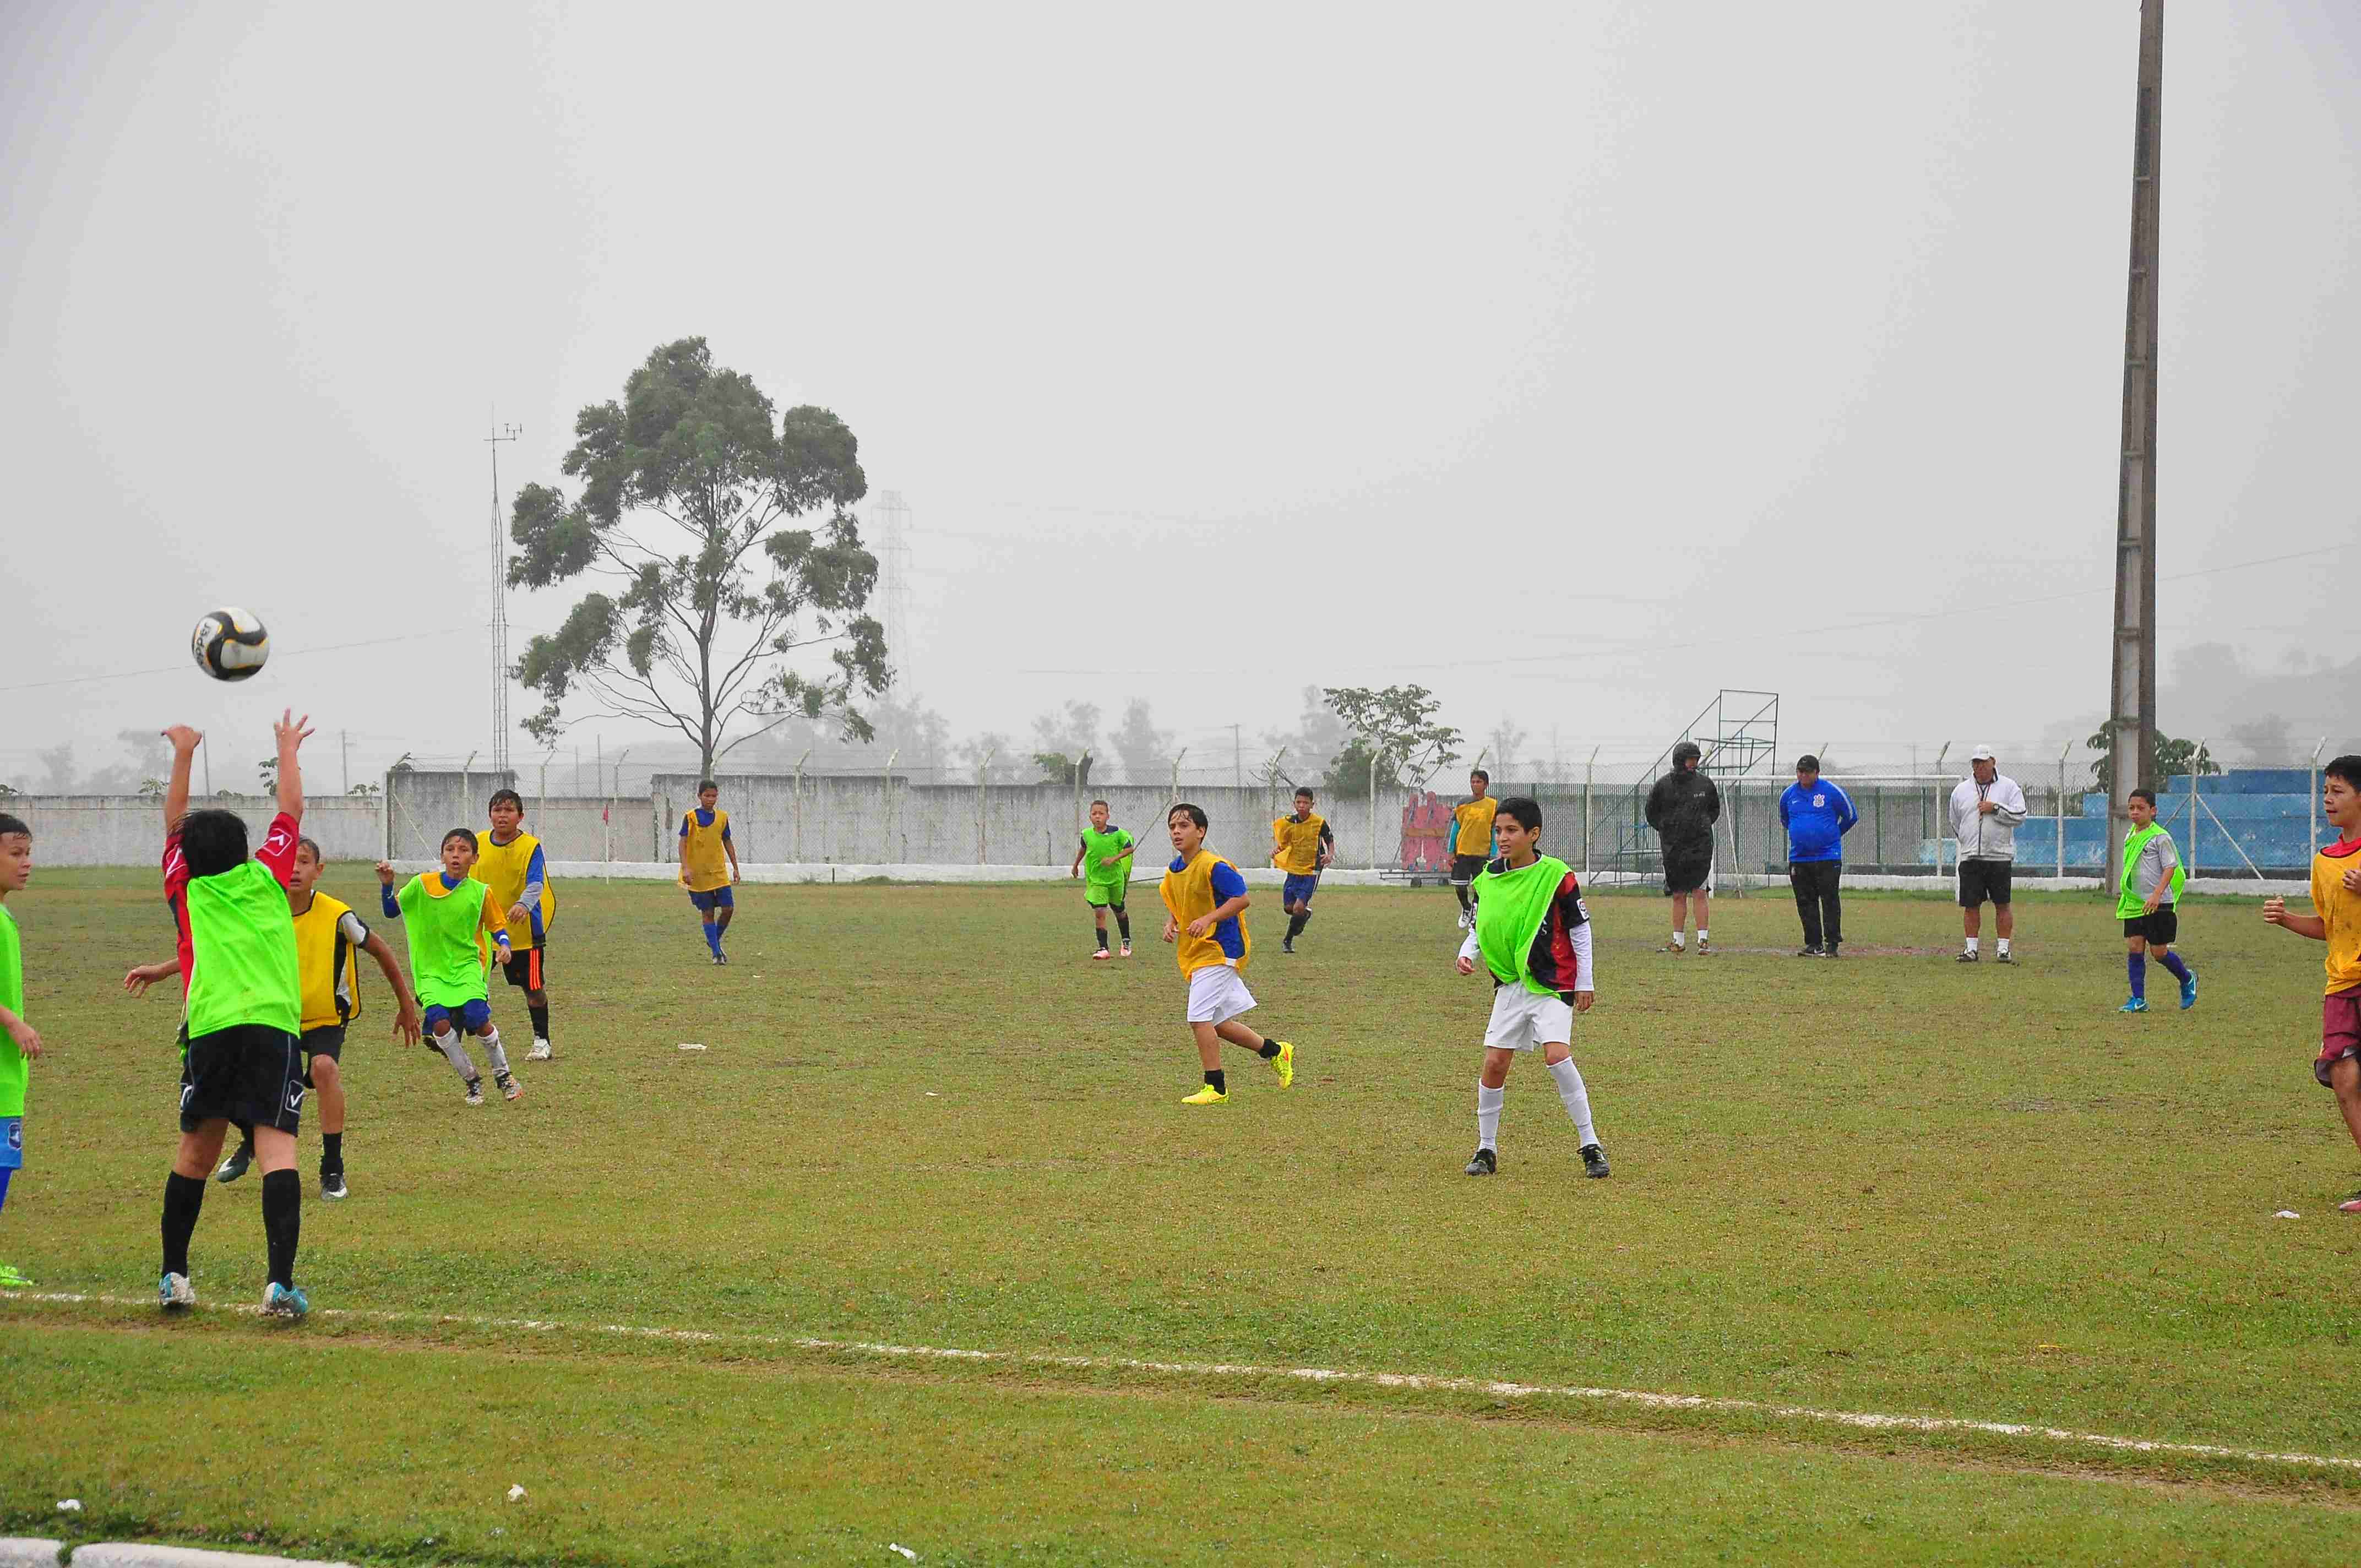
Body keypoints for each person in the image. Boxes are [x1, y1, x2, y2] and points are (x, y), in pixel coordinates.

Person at [135, 838, 421, 1199]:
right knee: (240, 1073)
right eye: (291, 862)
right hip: (274, 1014)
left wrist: (406, 1004)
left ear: (319, 871)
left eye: (304, 863)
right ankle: (251, 1143)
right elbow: (221, 948)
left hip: (323, 1017)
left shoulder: (337, 915)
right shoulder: (263, 911)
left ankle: (332, 1167)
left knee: (323, 1069)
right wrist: (163, 970)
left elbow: (380, 949)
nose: (296, 869)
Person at [154, 712, 315, 1317]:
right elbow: (292, 808)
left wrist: (184, 754)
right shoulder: (269, 875)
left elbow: (174, 824)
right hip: (273, 1028)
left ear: (187, 856)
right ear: (247, 850)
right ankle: (278, 1285)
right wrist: (286, 747)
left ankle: (174, 1276)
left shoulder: (185, 886)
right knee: (279, 1151)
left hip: (211, 1030)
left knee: (196, 1151)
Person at [1455, 796, 1608, 1180]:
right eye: (1498, 831)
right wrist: (1467, 952)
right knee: (1494, 1064)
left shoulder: (1556, 875)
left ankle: (1591, 1145)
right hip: (1511, 984)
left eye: (1511, 831)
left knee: (1557, 1057)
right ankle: (1486, 1149)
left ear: (1533, 834)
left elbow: (1580, 929)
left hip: (1553, 981)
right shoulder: (1489, 878)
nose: (1502, 838)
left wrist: (1585, 981)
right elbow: (1481, 924)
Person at [2262, 754, 2361, 1213]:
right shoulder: (2324, 861)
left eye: (2338, 791)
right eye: (2325, 791)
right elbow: (2328, 925)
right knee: (2344, 1078)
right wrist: (2285, 921)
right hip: (2341, 984)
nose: (2328, 799)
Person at [1158, 803, 1295, 1105]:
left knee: (1198, 1018)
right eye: (1172, 827)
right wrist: (1172, 922)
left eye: (1184, 826)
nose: (1177, 832)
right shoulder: (1175, 870)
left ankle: (1216, 1087)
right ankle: (1276, 1051)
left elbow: (1242, 899)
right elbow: (1176, 900)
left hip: (1222, 949)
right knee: (1218, 1024)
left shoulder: (1215, 866)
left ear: (1201, 831)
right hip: (1197, 952)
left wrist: (1208, 919)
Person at [376, 830, 522, 1106]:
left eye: (464, 850)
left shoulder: (480, 893)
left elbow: (497, 926)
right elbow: (391, 911)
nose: (457, 855)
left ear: (475, 858)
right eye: (451, 849)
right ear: (442, 855)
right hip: (430, 971)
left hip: (467, 965)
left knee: (478, 1017)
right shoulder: (421, 885)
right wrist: (387, 885)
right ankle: (472, 1080)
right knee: (441, 1025)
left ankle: (504, 1076)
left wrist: (505, 945)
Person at [480, 788, 557, 1058]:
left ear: (520, 816)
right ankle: (451, 1033)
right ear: (490, 815)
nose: (502, 815)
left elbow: (536, 883)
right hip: (484, 932)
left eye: (508, 810)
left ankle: (542, 1041)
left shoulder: (531, 846)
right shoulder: (477, 844)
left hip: (525, 932)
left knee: (533, 988)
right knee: (471, 984)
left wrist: (524, 904)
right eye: (497, 810)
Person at [0, 812, 41, 1289]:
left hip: (9, 1070)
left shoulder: (6, 914)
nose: (27, 863)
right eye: (16, 854)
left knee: (3, 1162)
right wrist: (13, 1022)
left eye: (28, 853)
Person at [2115, 787, 2195, 1014]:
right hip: (2136, 903)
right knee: (2134, 946)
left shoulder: (2161, 837)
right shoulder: (2130, 835)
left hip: (2159, 903)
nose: (2135, 812)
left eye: (2140, 808)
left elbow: (2171, 867)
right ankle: (2138, 999)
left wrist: (2157, 894)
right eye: (2131, 808)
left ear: (2153, 811)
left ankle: (2187, 978)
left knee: (2158, 952)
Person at [1948, 745, 2028, 962]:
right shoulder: (1961, 790)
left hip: (1999, 857)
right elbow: (1955, 821)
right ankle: (1971, 949)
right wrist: (1967, 842)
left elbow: (2020, 814)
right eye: (1976, 763)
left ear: (1993, 762)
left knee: (2002, 904)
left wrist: (1996, 809)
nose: (1979, 767)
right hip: (1971, 857)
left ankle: (2003, 949)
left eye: (1983, 762)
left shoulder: (2009, 787)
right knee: (1971, 905)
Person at [1645, 741, 1720, 954]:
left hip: (1700, 847)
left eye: (1696, 760)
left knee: (1700, 891)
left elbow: (1714, 811)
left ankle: (1703, 941)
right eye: (1690, 760)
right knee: (1678, 894)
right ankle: (1678, 941)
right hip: (1673, 850)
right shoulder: (1663, 786)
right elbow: (1651, 813)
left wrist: (1700, 826)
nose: (1694, 764)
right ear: (1679, 760)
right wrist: (1668, 830)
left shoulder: (1705, 785)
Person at [1779, 755, 1858, 957]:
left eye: (1807, 772)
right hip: (1799, 858)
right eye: (1800, 771)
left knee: (1830, 899)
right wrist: (1802, 835)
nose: (1803, 775)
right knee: (1806, 901)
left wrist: (1832, 835)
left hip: (1828, 857)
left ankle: (1832, 943)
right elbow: (1786, 820)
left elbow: (1851, 816)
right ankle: (1814, 944)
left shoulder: (1831, 791)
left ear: (1817, 773)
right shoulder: (1788, 795)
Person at [679, 781, 741, 965]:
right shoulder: (690, 817)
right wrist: (686, 867)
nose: (711, 799)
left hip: (718, 872)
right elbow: (682, 843)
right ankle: (717, 953)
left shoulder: (722, 817)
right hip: (698, 873)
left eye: (714, 796)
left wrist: (735, 867)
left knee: (728, 908)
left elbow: (727, 842)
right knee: (707, 913)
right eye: (707, 796)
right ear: (699, 796)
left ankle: (713, 938)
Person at [1270, 787, 1335, 955]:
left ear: (1312, 805)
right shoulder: (1290, 822)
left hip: (1312, 870)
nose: (1302, 806)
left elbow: (1330, 840)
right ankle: (1305, 914)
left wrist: (1330, 855)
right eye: (1299, 802)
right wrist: (1277, 851)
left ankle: (1287, 941)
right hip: (1295, 868)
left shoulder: (1319, 823)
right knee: (1288, 908)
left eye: (1306, 803)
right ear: (1294, 804)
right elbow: (1285, 843)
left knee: (1298, 907)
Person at [1068, 799, 1136, 960]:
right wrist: (1076, 865)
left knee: (1119, 911)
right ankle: (1103, 948)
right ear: (1090, 817)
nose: (1098, 817)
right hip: (1097, 880)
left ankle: (1126, 941)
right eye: (1094, 814)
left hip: (1115, 880)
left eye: (1101, 814)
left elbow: (1129, 849)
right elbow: (1084, 849)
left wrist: (1114, 859)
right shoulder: (1086, 835)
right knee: (1100, 912)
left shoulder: (1117, 833)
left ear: (1108, 816)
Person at [1449, 770, 1498, 930]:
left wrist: (1493, 852)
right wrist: (1451, 851)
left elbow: (1493, 830)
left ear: (1486, 785)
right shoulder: (1462, 805)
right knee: (1460, 885)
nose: (1475, 785)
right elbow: (1456, 828)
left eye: (1479, 782)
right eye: (1473, 782)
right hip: (1463, 851)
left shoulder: (1493, 805)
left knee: (1480, 887)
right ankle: (1466, 908)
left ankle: (1476, 917)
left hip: (1482, 854)